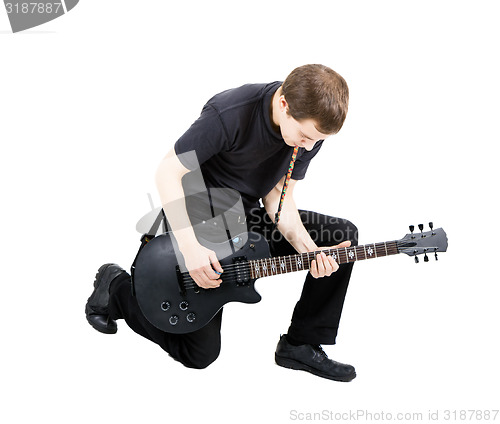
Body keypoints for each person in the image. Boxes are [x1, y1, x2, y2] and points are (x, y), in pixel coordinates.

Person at [85, 64, 359, 382]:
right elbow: (168, 172)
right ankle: (117, 288)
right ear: (284, 104)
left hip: (244, 217)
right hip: (199, 219)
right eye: (305, 136)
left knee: (341, 237)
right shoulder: (230, 113)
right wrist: (191, 249)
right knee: (199, 354)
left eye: (317, 140)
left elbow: (277, 199)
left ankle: (301, 345)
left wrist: (309, 252)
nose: (308, 146)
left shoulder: (309, 131)